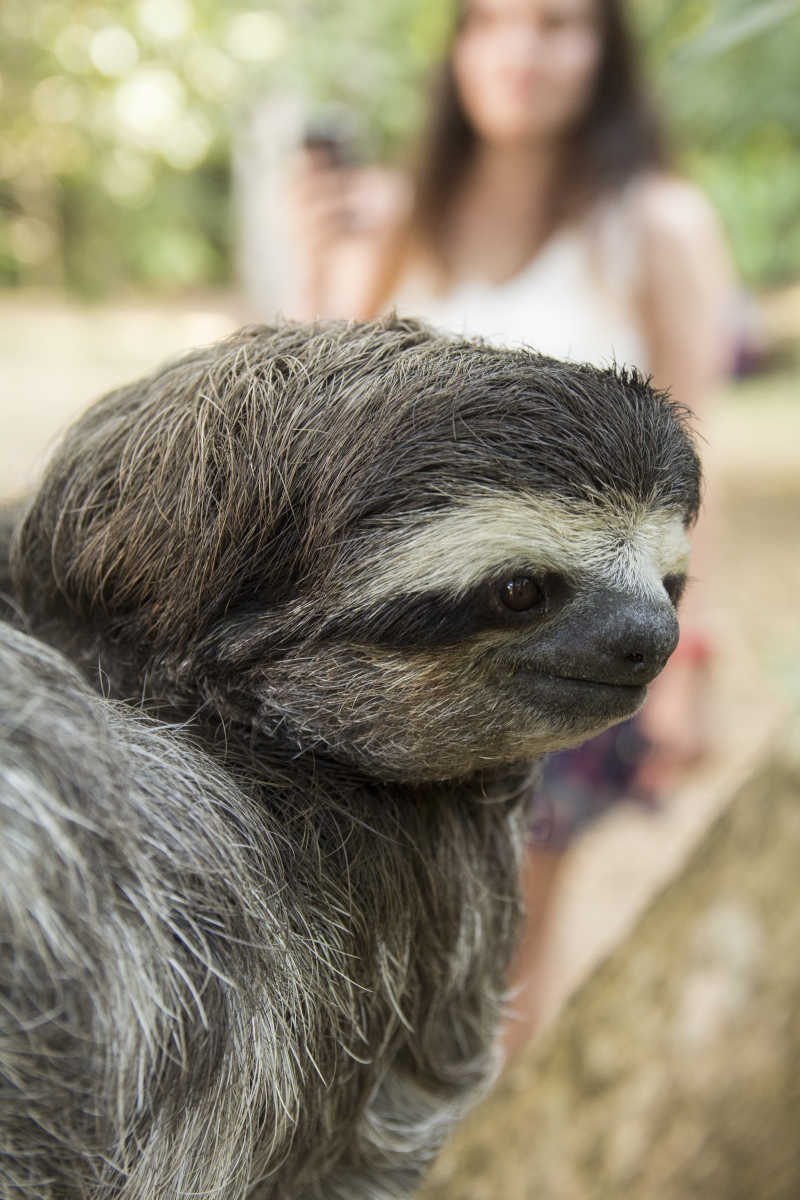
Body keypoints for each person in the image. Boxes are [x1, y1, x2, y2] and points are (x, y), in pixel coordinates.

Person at [287, 0, 735, 1056]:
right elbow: (309, 420)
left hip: (567, 632)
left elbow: (690, 466)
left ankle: (481, 1144)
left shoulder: (652, 224)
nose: (518, 54)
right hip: (407, 635)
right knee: (359, 930)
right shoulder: (397, 217)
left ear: (602, 50)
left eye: (554, 23)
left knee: (503, 938)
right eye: (487, 22)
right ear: (454, 48)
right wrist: (310, 260)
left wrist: (688, 662)